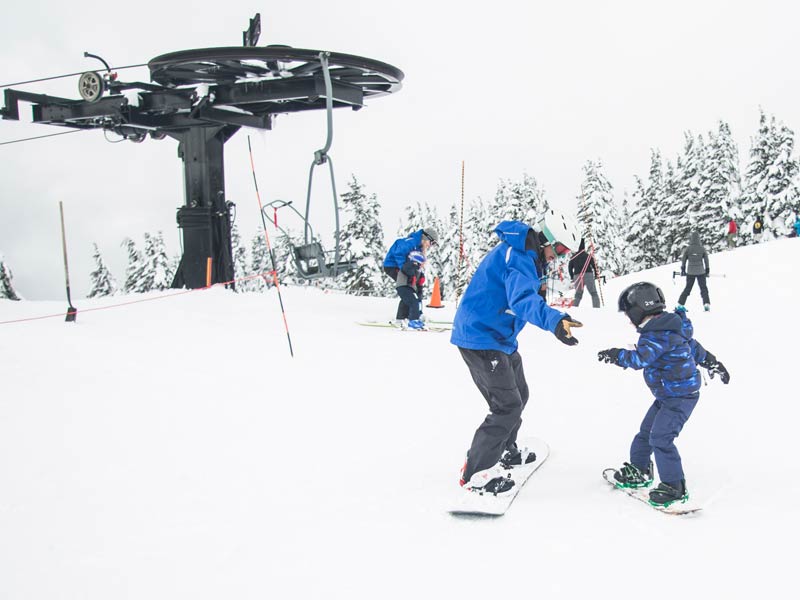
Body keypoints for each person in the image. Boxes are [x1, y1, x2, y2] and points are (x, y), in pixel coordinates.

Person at [451, 215, 583, 494]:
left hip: (499, 338)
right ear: (547, 239)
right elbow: (522, 300)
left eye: (564, 254)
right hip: (481, 337)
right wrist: (555, 321)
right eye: (559, 251)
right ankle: (477, 474)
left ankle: (505, 450)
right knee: (506, 406)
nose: (559, 257)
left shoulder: (529, 257)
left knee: (519, 396)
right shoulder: (519, 257)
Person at [598, 283, 730, 507]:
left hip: (680, 397)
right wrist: (713, 362)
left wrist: (616, 355)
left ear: (639, 311)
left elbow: (640, 359)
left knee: (661, 437)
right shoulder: (672, 327)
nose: (629, 320)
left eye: (629, 315)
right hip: (668, 395)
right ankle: (639, 470)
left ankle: (674, 486)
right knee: (646, 432)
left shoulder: (656, 334)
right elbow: (695, 349)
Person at [383, 227, 438, 329]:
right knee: (407, 288)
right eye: (432, 243)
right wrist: (404, 268)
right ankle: (410, 317)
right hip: (392, 265)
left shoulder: (419, 246)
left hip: (405, 267)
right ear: (427, 238)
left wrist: (417, 274)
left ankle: (403, 316)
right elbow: (398, 253)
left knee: (412, 290)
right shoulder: (412, 242)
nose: (431, 246)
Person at [677, 230, 710, 311]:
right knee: (703, 288)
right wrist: (707, 269)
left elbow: (684, 259)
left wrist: (683, 268)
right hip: (701, 272)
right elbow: (706, 259)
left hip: (690, 272)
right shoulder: (702, 249)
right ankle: (706, 304)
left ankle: (680, 305)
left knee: (687, 288)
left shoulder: (688, 249)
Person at [568, 238, 601, 308]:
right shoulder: (588, 256)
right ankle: (597, 309)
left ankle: (574, 308)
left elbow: (570, 267)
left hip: (577, 276)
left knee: (578, 294)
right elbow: (594, 265)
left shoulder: (574, 257)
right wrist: (596, 274)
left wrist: (572, 277)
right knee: (593, 293)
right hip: (588, 274)